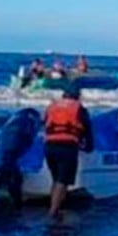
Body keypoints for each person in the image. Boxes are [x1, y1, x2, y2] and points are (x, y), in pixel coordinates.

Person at [43, 85, 94, 218]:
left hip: (49, 146)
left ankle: (56, 208)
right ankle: (53, 212)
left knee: (56, 179)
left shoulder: (51, 107)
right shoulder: (79, 109)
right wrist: (89, 147)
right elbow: (88, 130)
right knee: (63, 181)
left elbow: (45, 124)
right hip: (67, 146)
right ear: (77, 96)